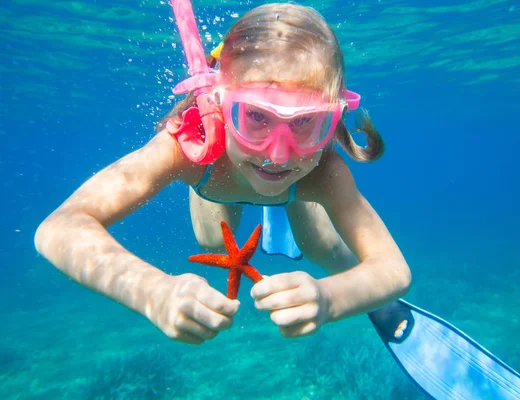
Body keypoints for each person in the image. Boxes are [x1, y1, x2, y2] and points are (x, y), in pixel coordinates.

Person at [34, 3, 411, 345]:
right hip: (220, 172)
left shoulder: (323, 168)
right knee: (213, 240)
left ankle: (369, 301)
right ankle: (253, 188)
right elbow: (59, 228)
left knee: (325, 249)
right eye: (256, 117)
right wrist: (152, 292)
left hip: (300, 184)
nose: (278, 153)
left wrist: (332, 298)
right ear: (218, 103)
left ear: (334, 118)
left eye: (307, 123)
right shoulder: (186, 147)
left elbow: (392, 268)